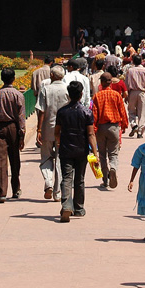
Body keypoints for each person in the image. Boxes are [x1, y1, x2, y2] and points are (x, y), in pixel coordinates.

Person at [55, 81, 98, 222]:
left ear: (68, 95)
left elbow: (57, 132)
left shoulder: (62, 112)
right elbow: (91, 134)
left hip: (66, 149)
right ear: (81, 95)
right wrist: (95, 153)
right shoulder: (86, 112)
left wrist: (59, 143)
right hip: (81, 149)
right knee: (79, 179)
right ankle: (79, 208)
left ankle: (67, 205)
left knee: (67, 178)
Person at [0, 67, 27, 203]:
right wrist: (22, 135)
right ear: (14, 78)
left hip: (1, 128)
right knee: (14, 158)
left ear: (2, 79)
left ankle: (2, 192)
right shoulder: (18, 95)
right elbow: (21, 117)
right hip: (14, 127)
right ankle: (15, 189)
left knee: (1, 160)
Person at [36, 65, 69, 200]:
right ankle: (57, 192)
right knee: (60, 159)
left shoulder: (46, 89)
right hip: (63, 129)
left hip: (48, 128)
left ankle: (49, 182)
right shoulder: (67, 89)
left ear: (52, 76)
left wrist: (39, 129)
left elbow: (41, 111)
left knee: (46, 157)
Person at [92, 72, 129, 189]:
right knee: (113, 153)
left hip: (101, 128)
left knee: (102, 155)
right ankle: (113, 167)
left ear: (102, 82)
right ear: (110, 83)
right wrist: (124, 125)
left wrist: (93, 129)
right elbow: (122, 111)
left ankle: (105, 179)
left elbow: (94, 114)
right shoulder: (116, 95)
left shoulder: (97, 96)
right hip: (114, 127)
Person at [125, 54, 145, 138]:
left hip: (132, 92)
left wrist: (126, 95)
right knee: (142, 113)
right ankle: (140, 132)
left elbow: (127, 83)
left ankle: (134, 125)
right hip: (142, 93)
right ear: (141, 61)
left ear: (133, 61)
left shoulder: (130, 70)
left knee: (131, 111)